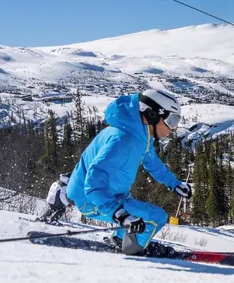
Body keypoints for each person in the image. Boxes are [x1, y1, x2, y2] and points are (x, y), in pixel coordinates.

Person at [66, 89, 192, 256]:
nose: (173, 129)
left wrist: (174, 184)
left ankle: (121, 240)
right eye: (172, 120)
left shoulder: (140, 134)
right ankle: (134, 250)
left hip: (114, 195)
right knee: (156, 217)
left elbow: (152, 162)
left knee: (138, 212)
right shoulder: (123, 140)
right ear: (153, 115)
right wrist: (118, 214)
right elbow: (93, 183)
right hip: (92, 200)